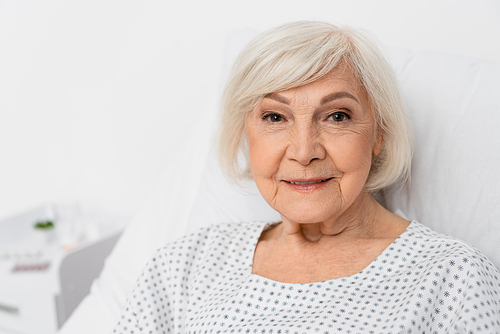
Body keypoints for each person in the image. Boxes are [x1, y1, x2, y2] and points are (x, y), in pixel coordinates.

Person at [112, 21, 500, 333]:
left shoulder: (451, 277)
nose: (303, 150)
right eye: (275, 118)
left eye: (337, 116)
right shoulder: (185, 266)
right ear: (246, 134)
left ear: (379, 133)